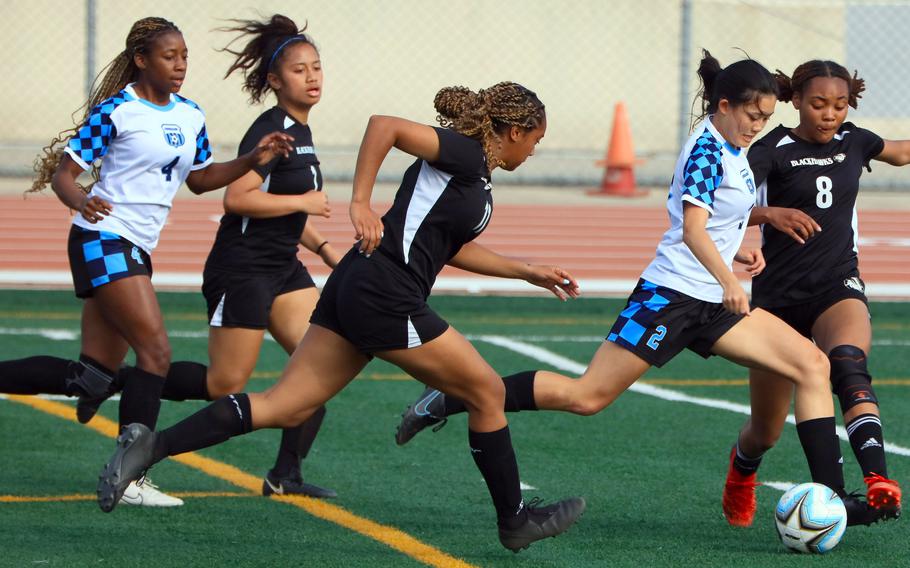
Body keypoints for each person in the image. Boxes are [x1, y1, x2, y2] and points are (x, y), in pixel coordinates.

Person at [395, 51, 881, 526]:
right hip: (668, 299)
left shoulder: (735, 149)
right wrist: (729, 277)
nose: (758, 125)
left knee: (812, 365)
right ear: (725, 106)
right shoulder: (708, 149)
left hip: (712, 302)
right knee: (586, 397)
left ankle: (833, 500)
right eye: (752, 114)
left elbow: (709, 223)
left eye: (766, 117)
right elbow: (691, 230)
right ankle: (451, 398)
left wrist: (734, 250)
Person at [96, 81, 586, 552]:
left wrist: (525, 270)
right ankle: (515, 520)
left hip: (360, 283)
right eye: (536, 141)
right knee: (487, 391)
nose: (534, 152)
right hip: (385, 291)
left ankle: (150, 448)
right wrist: (360, 203)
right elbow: (383, 126)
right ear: (516, 132)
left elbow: (447, 248)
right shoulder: (466, 153)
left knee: (284, 406)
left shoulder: (473, 173)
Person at [0, 16, 293, 507]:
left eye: (184, 57)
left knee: (93, 375)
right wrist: (80, 201)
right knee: (155, 352)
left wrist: (252, 160)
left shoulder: (190, 113)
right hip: (102, 239)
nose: (179, 66)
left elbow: (200, 180)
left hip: (134, 248)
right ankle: (130, 477)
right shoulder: (117, 111)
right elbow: (65, 176)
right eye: (168, 56)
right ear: (141, 60)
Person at [76, 14, 340, 499]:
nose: (313, 77)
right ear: (275, 81)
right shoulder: (270, 130)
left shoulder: (302, 130)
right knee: (225, 382)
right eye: (301, 70)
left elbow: (284, 209)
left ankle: (285, 476)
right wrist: (303, 203)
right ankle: (130, 385)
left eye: (317, 67)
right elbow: (237, 199)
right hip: (244, 267)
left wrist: (324, 248)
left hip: (284, 266)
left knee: (317, 367)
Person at [719, 59, 905, 527]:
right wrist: (769, 215)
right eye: (819, 104)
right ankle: (742, 472)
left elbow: (901, 153)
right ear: (796, 100)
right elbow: (723, 202)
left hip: (836, 285)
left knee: (847, 362)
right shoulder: (772, 149)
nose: (830, 114)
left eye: (840, 105)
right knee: (765, 430)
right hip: (778, 302)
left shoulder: (856, 141)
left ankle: (878, 481)